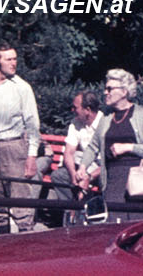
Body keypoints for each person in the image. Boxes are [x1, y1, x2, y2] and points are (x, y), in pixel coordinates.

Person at [0, 41, 41, 231]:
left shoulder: (21, 87)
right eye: (8, 59)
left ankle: (27, 246)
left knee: (21, 207)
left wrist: (31, 156)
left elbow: (33, 124)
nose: (13, 63)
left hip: (13, 146)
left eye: (15, 59)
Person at [79, 68, 143, 222]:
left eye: (110, 89)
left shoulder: (140, 115)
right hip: (112, 179)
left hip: (137, 178)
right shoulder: (106, 118)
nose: (105, 92)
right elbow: (93, 147)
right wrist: (82, 166)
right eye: (105, 89)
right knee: (114, 224)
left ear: (124, 92)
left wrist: (128, 147)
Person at [43, 89, 100, 224]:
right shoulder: (75, 124)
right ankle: (72, 212)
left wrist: (89, 177)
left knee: (104, 182)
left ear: (87, 109)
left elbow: (108, 162)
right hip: (82, 168)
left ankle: (93, 216)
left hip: (100, 170)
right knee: (59, 176)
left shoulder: (105, 124)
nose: (72, 110)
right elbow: (68, 153)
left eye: (75, 108)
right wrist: (73, 174)